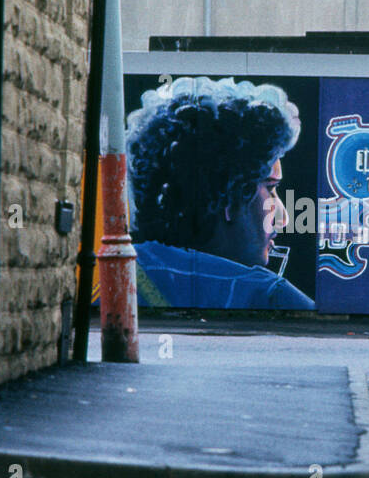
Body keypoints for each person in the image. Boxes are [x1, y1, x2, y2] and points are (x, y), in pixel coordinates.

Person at [126, 76, 315, 310]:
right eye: (271, 188)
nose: (283, 217)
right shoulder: (270, 295)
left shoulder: (117, 278)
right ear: (229, 195)